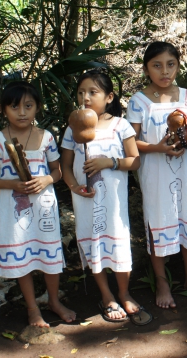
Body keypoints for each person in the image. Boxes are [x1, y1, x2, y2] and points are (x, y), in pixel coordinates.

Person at [125, 42, 187, 309]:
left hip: (185, 173)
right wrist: (157, 147)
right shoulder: (139, 100)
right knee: (158, 221)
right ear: (146, 69)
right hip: (154, 173)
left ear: (178, 65)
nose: (165, 71)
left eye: (170, 64)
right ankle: (162, 283)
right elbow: (129, 142)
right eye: (157, 65)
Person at [0, 81, 76, 327]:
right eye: (14, 106)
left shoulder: (46, 137)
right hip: (13, 211)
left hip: (44, 207)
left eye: (28, 106)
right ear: (3, 110)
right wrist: (12, 184)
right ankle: (33, 308)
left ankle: (53, 300)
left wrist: (46, 179)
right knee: (21, 255)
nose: (22, 112)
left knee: (49, 255)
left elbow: (58, 172)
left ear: (37, 108)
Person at [61, 70, 151, 325]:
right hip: (85, 199)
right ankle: (107, 295)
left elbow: (134, 161)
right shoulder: (73, 127)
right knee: (92, 241)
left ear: (109, 97)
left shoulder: (119, 125)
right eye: (81, 92)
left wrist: (108, 162)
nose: (85, 97)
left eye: (93, 92)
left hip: (113, 202)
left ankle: (124, 292)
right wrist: (74, 186)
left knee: (118, 243)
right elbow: (66, 166)